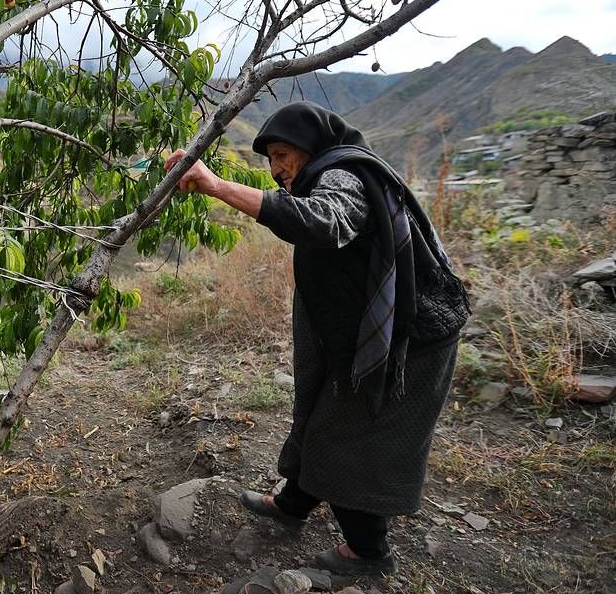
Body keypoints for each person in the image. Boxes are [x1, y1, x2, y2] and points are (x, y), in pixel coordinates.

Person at [163, 102, 470, 577]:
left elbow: (322, 222)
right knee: (318, 410)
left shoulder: (344, 176)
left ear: (312, 147)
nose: (277, 168)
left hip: (412, 339)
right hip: (370, 331)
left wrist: (217, 186)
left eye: (284, 154)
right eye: (270, 158)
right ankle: (292, 504)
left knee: (344, 434)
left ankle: (368, 551)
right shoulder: (328, 172)